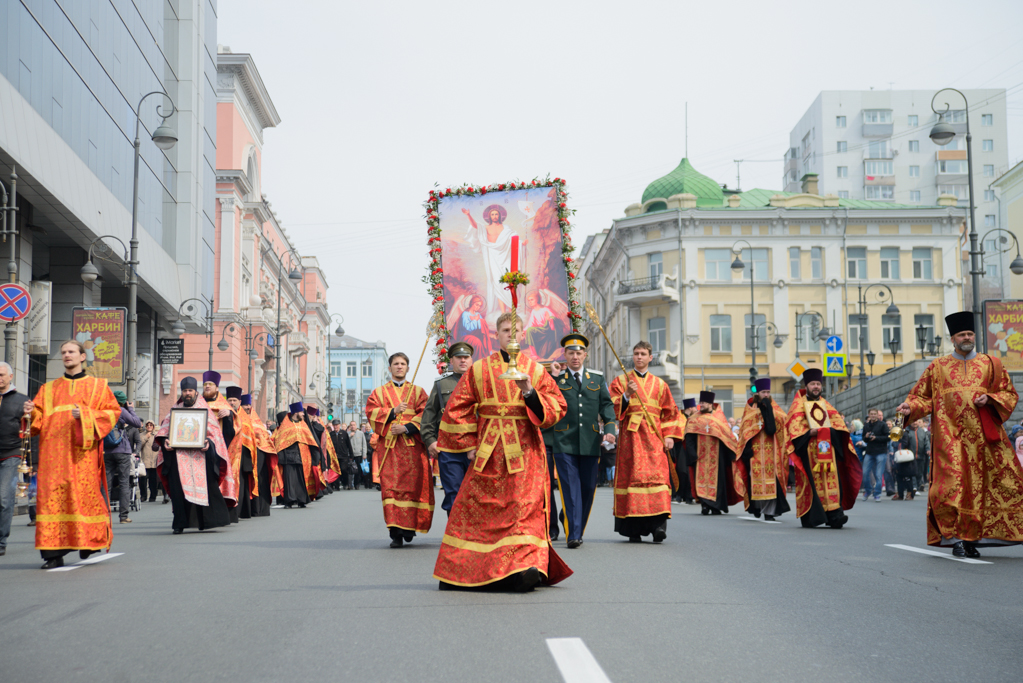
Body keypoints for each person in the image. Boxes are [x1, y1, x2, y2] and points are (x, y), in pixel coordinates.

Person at [434, 312, 570, 592]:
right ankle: (466, 569)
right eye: (506, 330)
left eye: (517, 331)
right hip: (488, 453)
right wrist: (469, 445)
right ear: (497, 335)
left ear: (523, 335)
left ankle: (524, 568)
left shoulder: (536, 370)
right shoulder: (479, 369)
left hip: (527, 452)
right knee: (481, 511)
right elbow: (455, 409)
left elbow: (558, 406)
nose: (512, 335)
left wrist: (530, 393)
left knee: (524, 510)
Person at [897, 311, 1023, 558]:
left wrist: (992, 398)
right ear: (952, 338)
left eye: (970, 334)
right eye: (961, 334)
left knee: (988, 487)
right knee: (948, 488)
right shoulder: (937, 367)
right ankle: (954, 538)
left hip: (984, 440)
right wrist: (910, 408)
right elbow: (922, 398)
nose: (967, 337)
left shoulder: (991, 364)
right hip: (949, 437)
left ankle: (973, 538)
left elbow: (1009, 393)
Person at [27, 340, 120, 568]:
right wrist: (30, 413)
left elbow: (112, 413)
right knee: (51, 502)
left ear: (82, 357)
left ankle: (88, 542)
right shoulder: (48, 389)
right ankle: (53, 555)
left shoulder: (98, 386)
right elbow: (36, 422)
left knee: (83, 498)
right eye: (63, 352)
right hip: (52, 457)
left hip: (82, 457)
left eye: (71, 352)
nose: (67, 355)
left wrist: (86, 415)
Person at [544, 334, 616, 549]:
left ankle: (574, 524)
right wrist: (555, 378)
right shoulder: (558, 379)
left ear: (585, 355)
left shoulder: (596, 378)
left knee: (586, 489)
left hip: (591, 442)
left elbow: (607, 406)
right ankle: (573, 534)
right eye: (571, 353)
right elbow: (548, 401)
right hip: (564, 441)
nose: (575, 357)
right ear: (565, 355)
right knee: (570, 487)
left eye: (579, 353)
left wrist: (610, 430)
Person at [608, 341, 685, 542]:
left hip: (654, 439)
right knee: (633, 479)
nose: (639, 357)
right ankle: (633, 529)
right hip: (630, 440)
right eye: (636, 353)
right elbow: (611, 409)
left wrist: (669, 437)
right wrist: (626, 395)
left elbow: (671, 413)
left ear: (650, 357)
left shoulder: (661, 385)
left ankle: (658, 526)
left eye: (643, 354)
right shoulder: (621, 381)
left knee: (658, 479)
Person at [366, 352, 433, 548]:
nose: (399, 367)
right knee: (391, 489)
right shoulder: (378, 393)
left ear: (408, 368)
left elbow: (426, 413)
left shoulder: (418, 392)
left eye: (403, 364)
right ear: (390, 368)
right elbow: (370, 412)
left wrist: (406, 428)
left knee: (412, 488)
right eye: (396, 364)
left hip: (412, 448)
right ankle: (395, 532)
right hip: (390, 448)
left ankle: (409, 528)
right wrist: (392, 412)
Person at [154, 377, 235, 534]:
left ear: (195, 392)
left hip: (201, 458)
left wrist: (208, 445)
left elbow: (215, 436)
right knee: (178, 492)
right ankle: (179, 524)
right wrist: (165, 442)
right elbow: (164, 430)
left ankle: (208, 521)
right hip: (178, 458)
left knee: (206, 488)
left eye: (190, 391)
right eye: (185, 391)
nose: (187, 394)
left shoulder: (205, 410)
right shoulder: (175, 410)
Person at [784, 368, 862, 530]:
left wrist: (828, 432)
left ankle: (835, 516)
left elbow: (839, 427)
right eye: (813, 384)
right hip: (809, 453)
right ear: (807, 385)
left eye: (818, 384)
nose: (816, 387)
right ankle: (814, 517)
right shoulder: (798, 405)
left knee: (832, 481)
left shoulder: (826, 404)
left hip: (828, 453)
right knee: (814, 484)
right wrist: (809, 433)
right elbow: (794, 431)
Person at [421, 341, 474, 514]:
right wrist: (430, 441)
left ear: (472, 359)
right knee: (453, 494)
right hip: (449, 449)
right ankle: (456, 536)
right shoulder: (441, 384)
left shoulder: (480, 382)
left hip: (476, 447)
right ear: (452, 360)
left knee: (476, 495)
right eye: (459, 358)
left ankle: (475, 538)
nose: (463, 361)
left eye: (466, 357)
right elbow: (428, 416)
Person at [736, 379, 790, 521]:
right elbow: (744, 431)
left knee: (772, 482)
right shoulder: (750, 409)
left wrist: (768, 411)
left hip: (772, 452)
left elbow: (774, 428)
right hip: (754, 453)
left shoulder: (774, 408)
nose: (766, 395)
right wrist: (747, 451)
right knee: (755, 481)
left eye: (768, 392)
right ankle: (757, 507)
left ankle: (769, 512)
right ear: (757, 393)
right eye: (763, 392)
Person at [685, 391, 743, 516]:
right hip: (700, 457)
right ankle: (705, 506)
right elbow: (689, 438)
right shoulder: (694, 419)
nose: (702, 405)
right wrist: (692, 454)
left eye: (704, 403)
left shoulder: (719, 418)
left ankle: (716, 506)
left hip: (718, 457)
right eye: (700, 402)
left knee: (718, 482)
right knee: (702, 481)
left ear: (711, 404)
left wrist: (731, 454)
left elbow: (727, 437)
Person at [0, 361, 28, 557]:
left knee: (4, 498)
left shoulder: (22, 400)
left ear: (10, 377)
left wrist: (32, 462)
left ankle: (1, 540)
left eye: (2, 374)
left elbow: (31, 430)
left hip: (11, 453)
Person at [104, 390, 142, 524]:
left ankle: (104, 516)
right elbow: (137, 423)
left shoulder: (104, 409)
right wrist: (130, 409)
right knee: (124, 482)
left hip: (106, 451)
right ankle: (123, 516)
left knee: (106, 484)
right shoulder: (120, 410)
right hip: (122, 450)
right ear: (123, 401)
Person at [273, 403, 321, 508]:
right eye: (301, 412)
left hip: (302, 456)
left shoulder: (303, 424)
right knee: (289, 479)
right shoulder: (286, 425)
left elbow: (311, 440)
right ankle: (289, 501)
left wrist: (315, 456)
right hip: (288, 457)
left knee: (301, 479)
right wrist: (280, 457)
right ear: (296, 412)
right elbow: (280, 442)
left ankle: (302, 500)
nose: (303, 415)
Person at [240, 394, 275, 515]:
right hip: (245, 453)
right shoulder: (238, 417)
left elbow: (263, 436)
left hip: (259, 453)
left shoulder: (256, 420)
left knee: (260, 478)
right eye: (245, 404)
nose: (248, 407)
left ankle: (259, 509)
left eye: (249, 404)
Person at [860, 408, 889, 502]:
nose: (873, 415)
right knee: (864, 473)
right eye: (871, 414)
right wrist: (866, 437)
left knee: (878, 475)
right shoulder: (866, 425)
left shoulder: (883, 424)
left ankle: (877, 494)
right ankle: (868, 491)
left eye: (874, 414)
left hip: (881, 452)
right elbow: (864, 439)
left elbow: (888, 437)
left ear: (877, 415)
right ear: (868, 415)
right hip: (869, 452)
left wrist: (876, 438)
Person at [895, 419, 929, 501]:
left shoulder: (921, 432)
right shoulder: (905, 431)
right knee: (907, 475)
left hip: (918, 456)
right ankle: (910, 490)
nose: (914, 422)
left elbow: (926, 442)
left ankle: (913, 489)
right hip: (906, 457)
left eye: (916, 421)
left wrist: (928, 449)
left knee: (917, 474)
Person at [139, 420, 164, 503]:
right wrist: (146, 437)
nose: (149, 426)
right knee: (143, 480)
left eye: (151, 425)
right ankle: (143, 496)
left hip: (154, 461)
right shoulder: (141, 435)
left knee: (153, 481)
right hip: (144, 461)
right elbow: (139, 445)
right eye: (147, 425)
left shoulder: (157, 435)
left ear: (153, 426)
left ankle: (153, 496)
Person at [330, 419, 354, 490]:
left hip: (344, 456)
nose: (335, 427)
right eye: (334, 425)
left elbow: (349, 445)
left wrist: (351, 455)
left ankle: (345, 483)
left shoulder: (344, 433)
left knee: (344, 469)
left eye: (337, 425)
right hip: (335, 456)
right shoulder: (331, 434)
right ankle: (336, 486)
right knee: (336, 471)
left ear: (339, 425)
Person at [348, 421, 367, 489]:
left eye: (354, 425)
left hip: (359, 454)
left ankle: (357, 484)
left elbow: (364, 444)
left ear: (356, 426)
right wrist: (350, 436)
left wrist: (364, 454)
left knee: (358, 470)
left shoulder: (361, 433)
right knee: (350, 470)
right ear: (350, 426)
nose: (353, 426)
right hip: (350, 455)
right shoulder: (348, 434)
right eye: (351, 425)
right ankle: (350, 485)